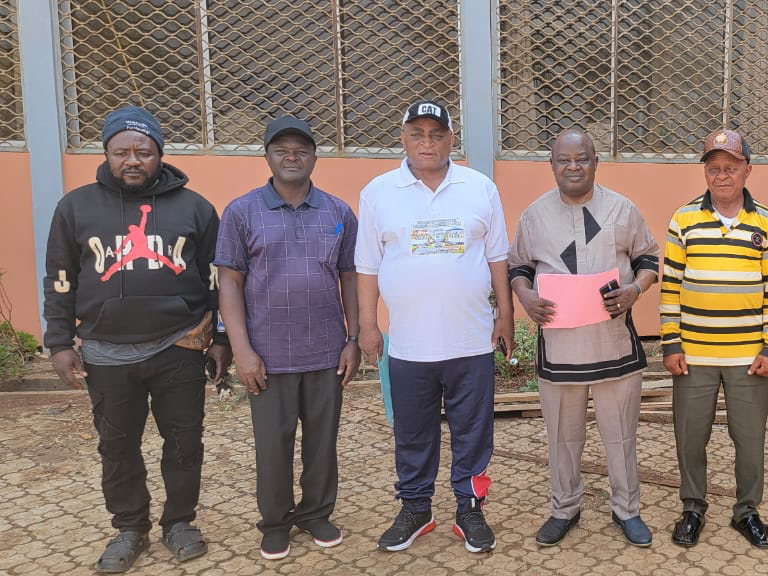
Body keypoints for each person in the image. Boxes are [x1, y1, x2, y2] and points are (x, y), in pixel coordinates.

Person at [42, 105, 231, 573]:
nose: (132, 160)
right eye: (121, 151)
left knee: (184, 443)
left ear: (159, 154)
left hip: (178, 346)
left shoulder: (195, 208)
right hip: (106, 352)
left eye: (143, 152)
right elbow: (60, 279)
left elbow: (217, 279)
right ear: (106, 154)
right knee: (117, 446)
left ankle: (179, 522)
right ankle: (130, 528)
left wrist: (220, 337)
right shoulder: (75, 207)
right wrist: (59, 342)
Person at [354, 100, 514, 554]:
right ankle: (416, 508)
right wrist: (367, 325)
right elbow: (367, 265)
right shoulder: (378, 193)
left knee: (473, 432)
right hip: (409, 346)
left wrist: (505, 314)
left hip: (470, 341)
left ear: (450, 140)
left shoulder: (479, 188)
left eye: (437, 134)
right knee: (412, 433)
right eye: (418, 134)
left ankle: (470, 508)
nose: (427, 143)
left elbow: (498, 258)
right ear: (403, 138)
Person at [215, 117, 360, 560]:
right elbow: (229, 282)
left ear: (314, 157)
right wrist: (241, 349)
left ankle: (316, 513)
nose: (292, 156)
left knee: (322, 442)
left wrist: (353, 338)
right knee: (273, 446)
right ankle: (276, 522)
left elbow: (350, 276)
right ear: (267, 156)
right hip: (268, 355)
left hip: (326, 351)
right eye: (282, 149)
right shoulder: (242, 212)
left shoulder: (337, 212)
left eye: (301, 149)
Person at [508, 129, 661, 548]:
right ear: (552, 164)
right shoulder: (534, 215)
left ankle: (627, 509)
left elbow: (649, 258)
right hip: (559, 349)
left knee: (621, 436)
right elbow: (518, 267)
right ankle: (564, 508)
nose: (573, 167)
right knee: (563, 436)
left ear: (596, 162)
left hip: (613, 346)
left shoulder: (622, 209)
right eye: (564, 160)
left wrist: (635, 290)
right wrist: (525, 296)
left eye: (582, 159)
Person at [661, 129, 768, 549]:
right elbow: (670, 287)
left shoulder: (767, 222)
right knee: (690, 437)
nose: (722, 175)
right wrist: (671, 344)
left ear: (747, 170)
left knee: (749, 440)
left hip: (748, 357)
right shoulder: (684, 220)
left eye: (731, 167)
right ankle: (692, 507)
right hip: (693, 354)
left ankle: (746, 511)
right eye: (713, 168)